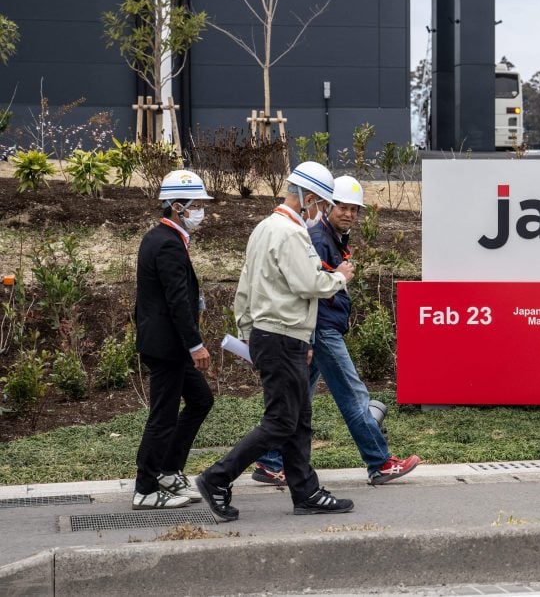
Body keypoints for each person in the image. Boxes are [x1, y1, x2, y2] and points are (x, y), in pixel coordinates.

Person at [195, 162, 355, 522]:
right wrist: (340, 277)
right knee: (284, 420)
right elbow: (309, 284)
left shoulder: (264, 229)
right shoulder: (292, 234)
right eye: (323, 205)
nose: (322, 213)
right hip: (284, 335)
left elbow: (245, 288)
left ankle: (306, 491)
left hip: (274, 335)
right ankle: (216, 478)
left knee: (298, 418)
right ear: (310, 198)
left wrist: (249, 332)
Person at [251, 175, 422, 487]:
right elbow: (311, 286)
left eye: (355, 210)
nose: (349, 214)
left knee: (297, 399)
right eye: (342, 207)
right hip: (323, 330)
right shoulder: (318, 239)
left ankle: (271, 462)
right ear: (327, 206)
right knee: (354, 396)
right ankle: (380, 462)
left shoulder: (331, 239)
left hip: (318, 330)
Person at [132, 170, 215, 510]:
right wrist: (195, 344)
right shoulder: (167, 244)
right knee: (163, 416)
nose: (201, 211)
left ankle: (168, 469)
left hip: (166, 342)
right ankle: (146, 488)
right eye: (196, 205)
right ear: (177, 207)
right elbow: (176, 301)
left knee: (200, 400)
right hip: (168, 346)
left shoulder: (163, 238)